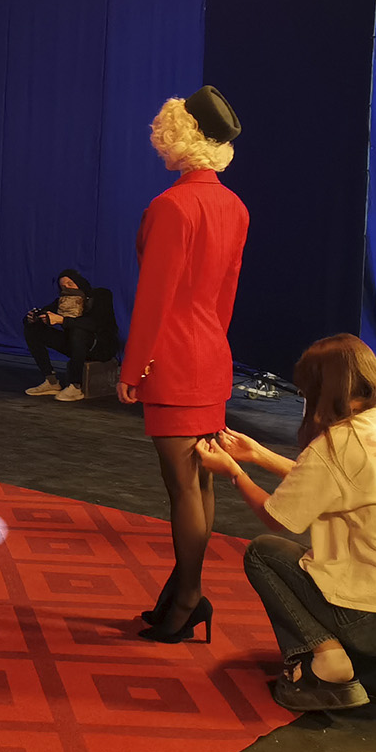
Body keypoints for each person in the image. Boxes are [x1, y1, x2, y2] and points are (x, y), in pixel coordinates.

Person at [195, 334, 376, 717]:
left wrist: (233, 472)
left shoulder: (337, 443)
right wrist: (259, 455)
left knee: (265, 554)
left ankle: (329, 664)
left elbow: (276, 517)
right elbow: (332, 483)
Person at [117, 85, 250, 642]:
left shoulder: (172, 206)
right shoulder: (234, 206)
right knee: (201, 484)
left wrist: (132, 369)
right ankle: (181, 589)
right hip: (209, 352)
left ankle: (189, 598)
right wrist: (212, 347)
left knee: (183, 488)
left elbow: (155, 297)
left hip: (173, 357)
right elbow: (226, 294)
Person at [22, 269, 120, 402]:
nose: (67, 288)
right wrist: (33, 318)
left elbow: (95, 324)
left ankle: (75, 386)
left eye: (70, 283)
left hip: (100, 346)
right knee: (33, 329)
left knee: (78, 330)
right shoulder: (61, 301)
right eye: (63, 286)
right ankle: (51, 381)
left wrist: (63, 320)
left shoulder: (101, 295)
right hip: (76, 346)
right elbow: (45, 311)